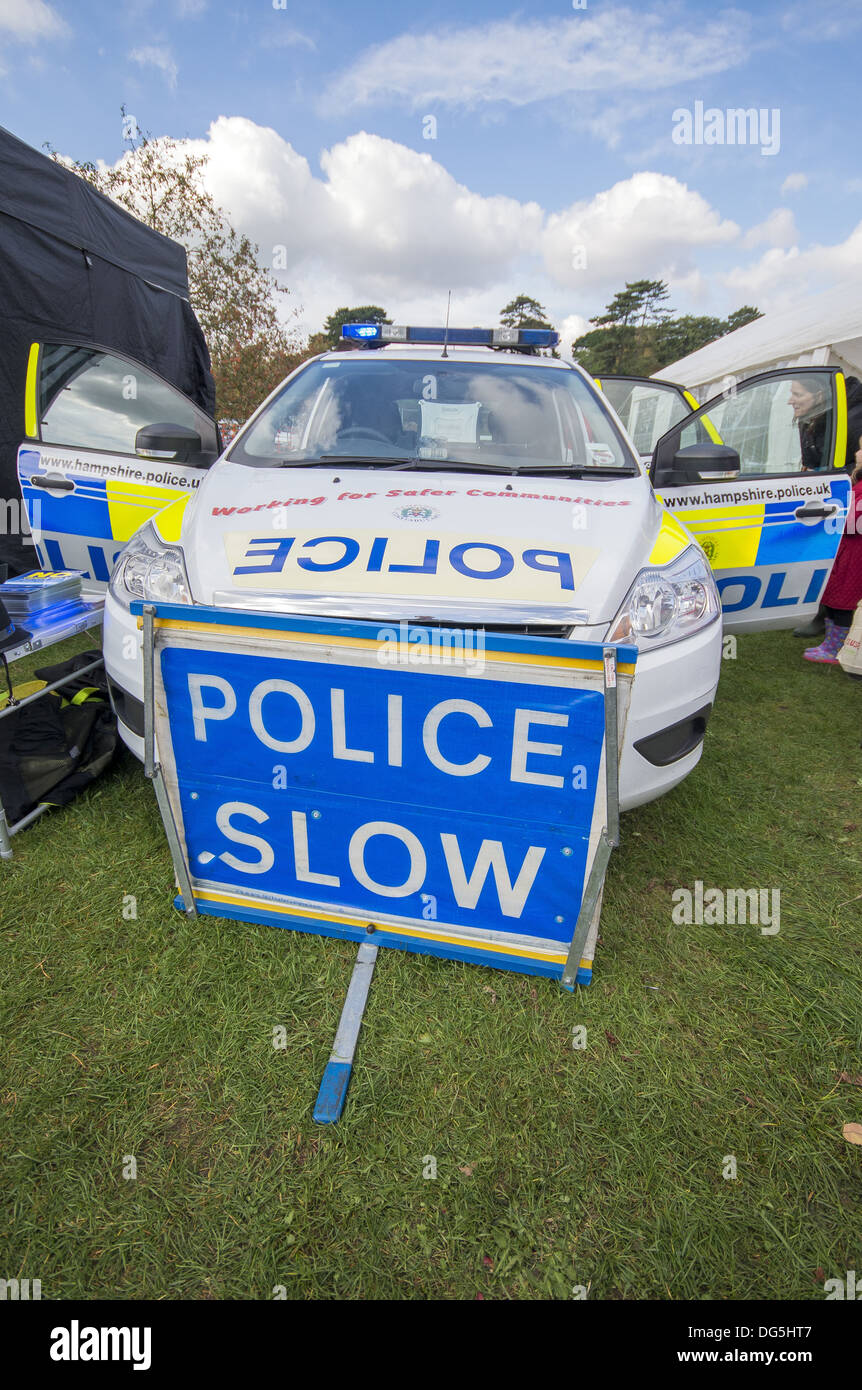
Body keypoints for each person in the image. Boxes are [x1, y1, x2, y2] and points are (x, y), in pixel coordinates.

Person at [803, 443, 862, 664]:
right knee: (833, 598)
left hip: (854, 556)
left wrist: (831, 512)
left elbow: (853, 524)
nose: (856, 453)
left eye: (861, 449)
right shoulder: (857, 483)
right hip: (846, 553)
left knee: (842, 603)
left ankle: (837, 648)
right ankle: (831, 643)